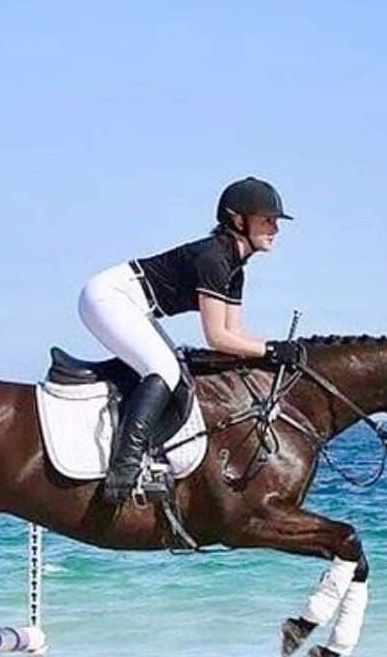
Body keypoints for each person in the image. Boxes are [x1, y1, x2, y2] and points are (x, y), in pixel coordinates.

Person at [79, 177, 302, 502]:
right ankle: (123, 470)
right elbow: (218, 338)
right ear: (238, 220)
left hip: (135, 306)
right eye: (267, 220)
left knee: (176, 370)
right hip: (107, 298)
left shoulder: (235, 268)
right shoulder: (214, 259)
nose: (275, 229)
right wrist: (270, 349)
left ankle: (148, 460)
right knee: (165, 370)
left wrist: (275, 351)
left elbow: (235, 334)